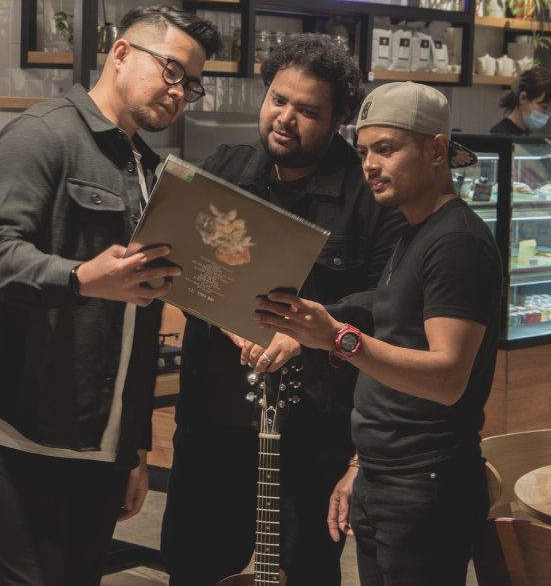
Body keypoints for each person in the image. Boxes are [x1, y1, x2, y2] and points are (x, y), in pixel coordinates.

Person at [0, 6, 222, 586]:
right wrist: (80, 278)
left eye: (190, 84)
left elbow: (140, 322)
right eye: (170, 70)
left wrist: (134, 446)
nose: (179, 92)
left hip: (102, 441)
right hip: (20, 426)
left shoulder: (150, 168)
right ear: (121, 53)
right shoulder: (42, 134)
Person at [160, 35, 404, 586]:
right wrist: (223, 317)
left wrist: (316, 329)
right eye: (278, 100)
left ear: (340, 117)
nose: (285, 118)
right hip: (214, 417)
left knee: (306, 571)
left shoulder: (367, 194)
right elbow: (185, 270)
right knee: (194, 565)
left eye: (308, 110)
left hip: (313, 428)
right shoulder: (226, 165)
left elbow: (388, 300)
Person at [256, 81, 503, 586]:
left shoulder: (457, 242)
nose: (369, 165)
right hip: (386, 475)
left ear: (437, 150)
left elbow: (446, 377)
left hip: (426, 485)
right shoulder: (415, 230)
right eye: (364, 151)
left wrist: (338, 338)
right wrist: (359, 465)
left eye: (386, 149)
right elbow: (395, 331)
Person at [489, 67, 551, 134]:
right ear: (523, 98)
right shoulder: (500, 135)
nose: (546, 115)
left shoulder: (524, 132)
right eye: (543, 107)